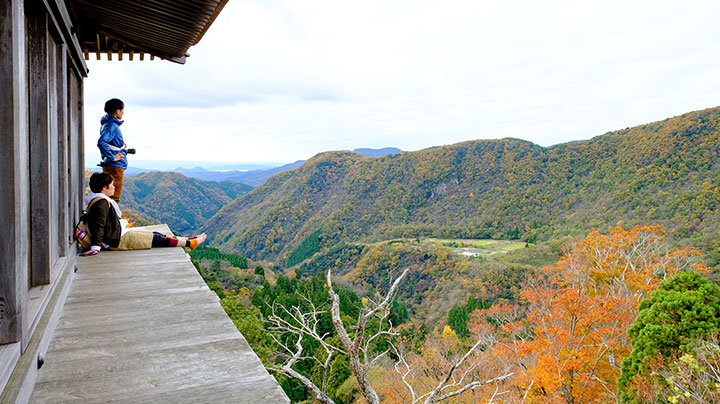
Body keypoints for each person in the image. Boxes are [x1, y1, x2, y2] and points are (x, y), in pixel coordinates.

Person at [80, 172, 206, 256]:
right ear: (104, 188)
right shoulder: (101, 203)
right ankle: (189, 243)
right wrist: (96, 247)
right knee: (155, 239)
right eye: (112, 185)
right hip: (116, 241)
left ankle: (188, 239)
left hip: (116, 235)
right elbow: (99, 224)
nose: (114, 187)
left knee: (156, 234)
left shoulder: (98, 200)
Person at [98, 98, 134, 203]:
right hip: (115, 165)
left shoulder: (106, 123)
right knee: (114, 197)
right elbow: (101, 142)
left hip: (111, 164)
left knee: (108, 195)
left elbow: (110, 144)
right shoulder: (112, 125)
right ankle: (111, 218)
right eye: (122, 111)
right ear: (117, 111)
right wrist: (112, 157)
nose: (123, 113)